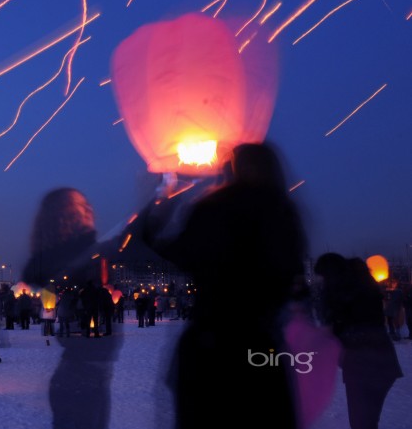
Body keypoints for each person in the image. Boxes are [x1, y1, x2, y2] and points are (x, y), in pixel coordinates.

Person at [151, 143, 306, 428]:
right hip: (261, 344)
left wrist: (162, 204)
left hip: (212, 345)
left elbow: (181, 252)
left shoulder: (218, 209)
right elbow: (289, 276)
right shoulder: (283, 213)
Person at [21, 187, 121, 429]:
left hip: (94, 378)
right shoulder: (64, 261)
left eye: (87, 205)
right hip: (80, 380)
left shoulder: (88, 257)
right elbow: (36, 272)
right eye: (78, 206)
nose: (88, 210)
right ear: (62, 216)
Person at [315, 254, 403, 429]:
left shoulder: (338, 292)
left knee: (361, 423)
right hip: (384, 361)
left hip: (360, 363)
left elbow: (329, 327)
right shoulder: (365, 285)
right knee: (368, 421)